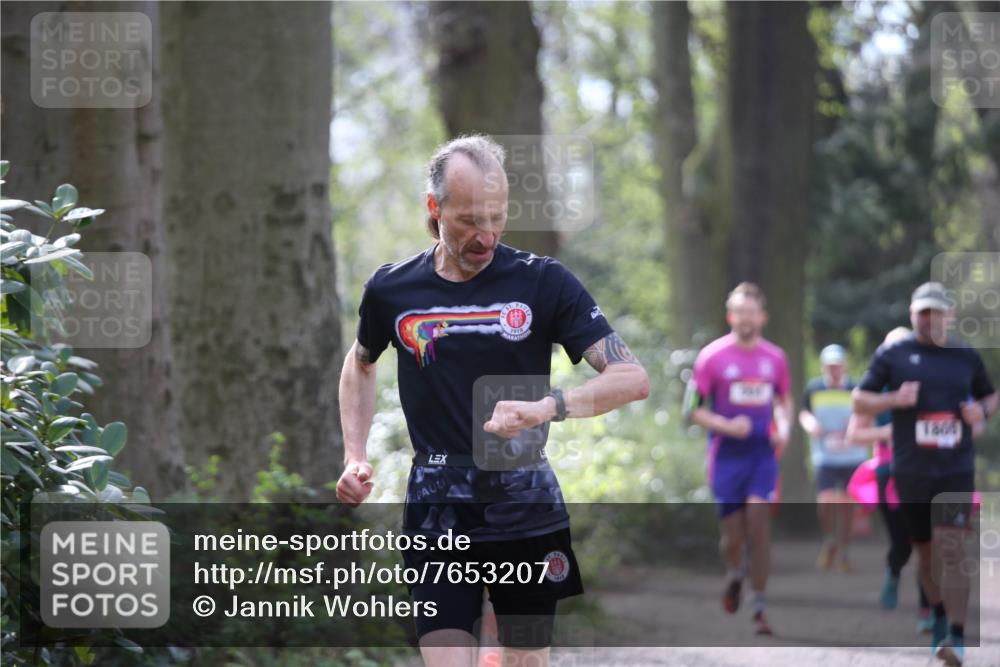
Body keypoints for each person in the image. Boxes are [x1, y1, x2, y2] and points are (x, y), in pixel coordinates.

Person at [335, 134, 650, 667]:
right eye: (469, 221)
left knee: (526, 660)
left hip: (524, 501)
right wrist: (355, 454)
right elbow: (360, 363)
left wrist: (549, 406)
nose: (486, 236)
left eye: (497, 218)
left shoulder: (543, 282)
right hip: (437, 505)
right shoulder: (391, 290)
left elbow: (632, 378)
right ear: (434, 208)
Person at [853, 282, 996, 666]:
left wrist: (982, 411)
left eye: (937, 312)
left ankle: (957, 636)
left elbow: (989, 395)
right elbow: (859, 399)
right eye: (923, 312)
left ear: (950, 315)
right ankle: (938, 612)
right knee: (927, 554)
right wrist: (893, 399)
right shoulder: (893, 354)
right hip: (912, 471)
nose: (930, 319)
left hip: (955, 469)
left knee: (952, 547)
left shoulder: (965, 355)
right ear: (912, 314)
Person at [683, 282, 792, 636]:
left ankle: (759, 605)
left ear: (762, 317)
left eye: (752, 312)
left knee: (759, 525)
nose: (746, 318)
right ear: (730, 316)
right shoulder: (712, 357)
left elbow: (784, 400)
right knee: (733, 538)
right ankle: (734, 572)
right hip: (726, 456)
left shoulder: (775, 358)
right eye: (740, 312)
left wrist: (784, 427)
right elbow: (692, 409)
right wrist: (727, 425)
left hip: (762, 455)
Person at [845, 327, 932, 631]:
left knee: (927, 544)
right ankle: (894, 573)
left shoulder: (929, 383)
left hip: (927, 472)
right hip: (889, 473)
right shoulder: (874, 391)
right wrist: (885, 432)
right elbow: (853, 435)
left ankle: (926, 610)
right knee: (902, 545)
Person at [799, 343, 868, 572]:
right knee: (826, 501)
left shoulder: (856, 389)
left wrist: (855, 424)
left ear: (844, 366)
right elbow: (804, 412)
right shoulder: (814, 388)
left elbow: (866, 413)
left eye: (837, 366)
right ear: (823, 367)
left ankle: (845, 551)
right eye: (829, 366)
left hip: (852, 456)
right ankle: (830, 541)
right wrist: (810, 424)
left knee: (847, 506)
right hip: (825, 455)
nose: (834, 370)